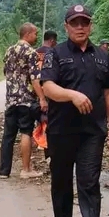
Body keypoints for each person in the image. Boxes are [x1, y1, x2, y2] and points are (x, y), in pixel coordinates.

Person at [40, 4, 109, 217]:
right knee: (61, 180)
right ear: (66, 27)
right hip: (61, 130)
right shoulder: (56, 54)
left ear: (91, 26)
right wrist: (72, 95)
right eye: (75, 23)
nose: (80, 27)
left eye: (84, 22)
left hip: (92, 132)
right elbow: (47, 87)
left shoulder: (103, 57)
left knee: (89, 183)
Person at [0, 22, 46, 179]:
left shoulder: (9, 50)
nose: (36, 36)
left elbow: (6, 73)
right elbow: (34, 80)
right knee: (25, 132)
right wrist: (42, 98)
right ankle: (26, 169)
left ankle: (4, 171)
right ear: (27, 34)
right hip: (25, 99)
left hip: (10, 99)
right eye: (35, 33)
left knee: (8, 135)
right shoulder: (31, 53)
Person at [34, 30, 59, 159]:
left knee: (41, 118)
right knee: (49, 118)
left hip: (35, 90)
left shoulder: (35, 53)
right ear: (52, 40)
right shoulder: (53, 53)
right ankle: (47, 145)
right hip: (50, 90)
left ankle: (42, 143)